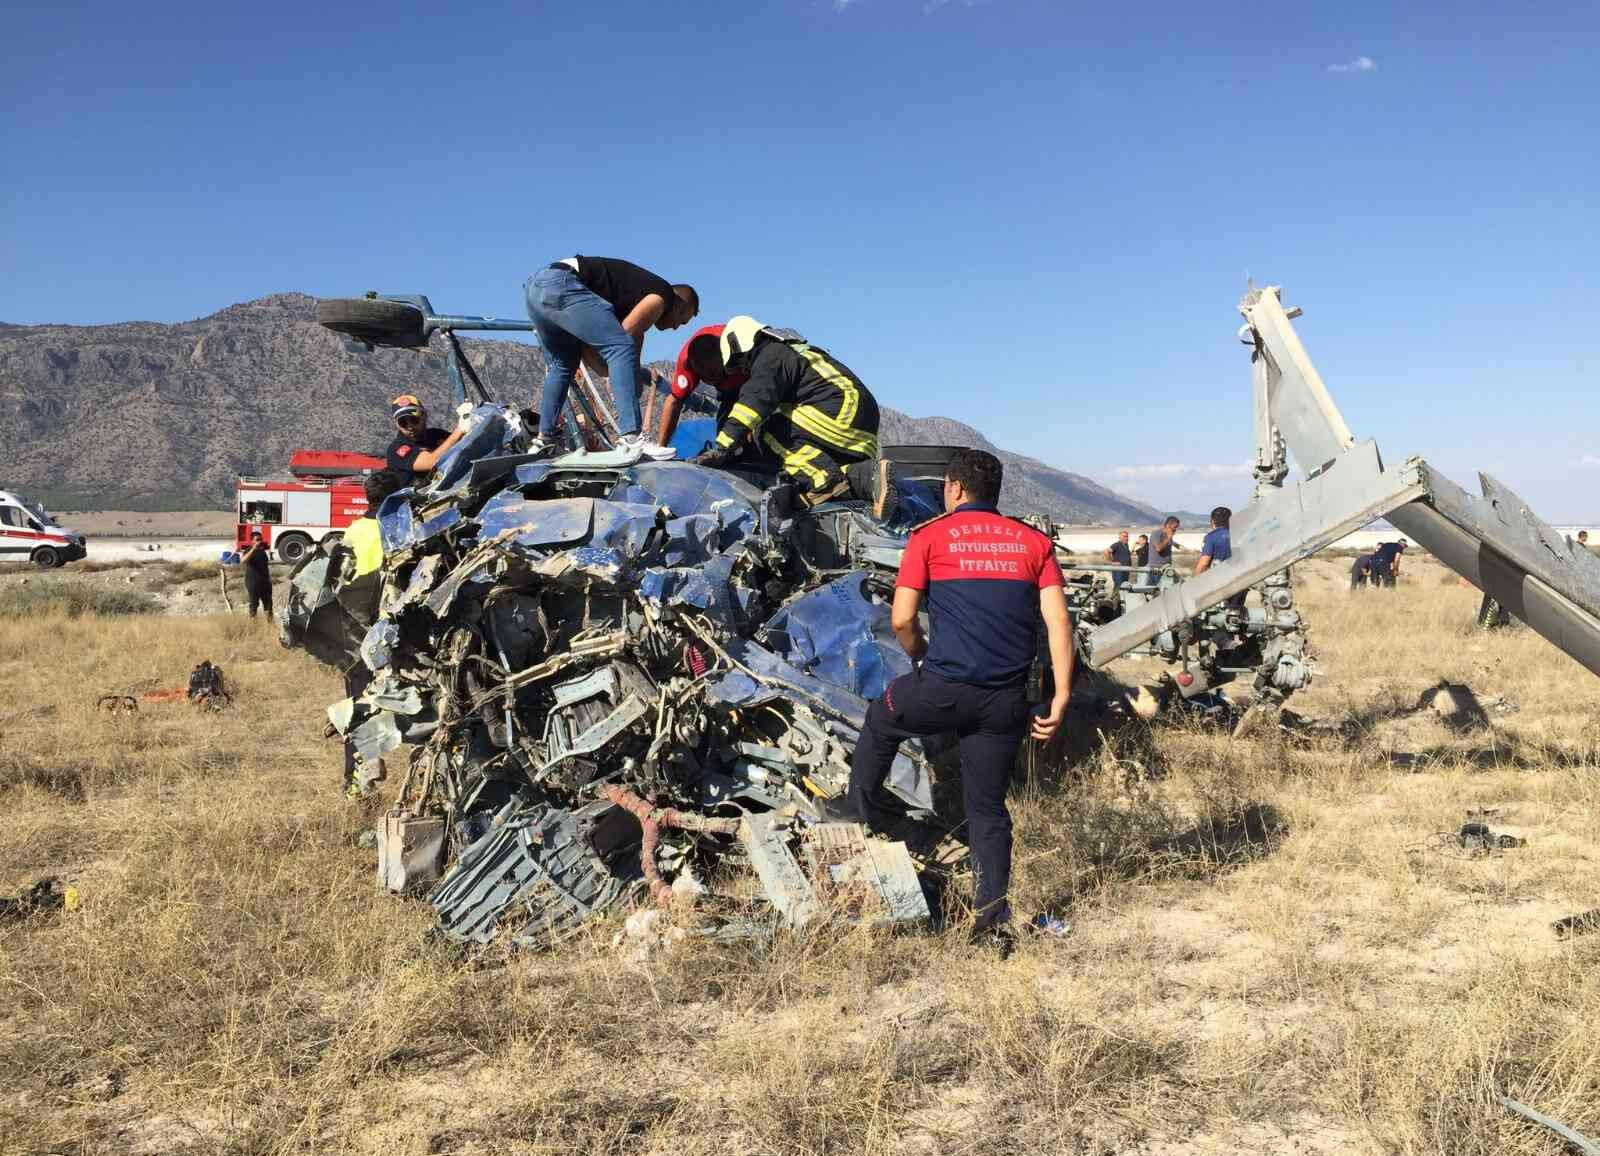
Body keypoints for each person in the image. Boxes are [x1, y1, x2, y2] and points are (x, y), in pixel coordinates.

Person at [828, 448, 1074, 955]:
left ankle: (862, 813)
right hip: (1005, 701)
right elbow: (1058, 622)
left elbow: (901, 619)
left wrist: (921, 657)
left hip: (942, 689)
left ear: (955, 489)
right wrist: (1062, 695)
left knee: (882, 717)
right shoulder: (1034, 543)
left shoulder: (929, 537)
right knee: (988, 808)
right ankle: (991, 920)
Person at [690, 316, 892, 515]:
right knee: (806, 445)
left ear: (741, 346)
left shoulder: (770, 356)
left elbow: (753, 403)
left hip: (842, 413)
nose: (742, 368)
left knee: (768, 430)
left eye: (739, 361)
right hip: (858, 423)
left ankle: (824, 481)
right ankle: (868, 477)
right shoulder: (789, 351)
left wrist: (722, 448)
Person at [523, 256, 698, 462]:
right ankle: (632, 438)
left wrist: (610, 373)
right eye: (681, 320)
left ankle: (546, 439)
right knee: (621, 345)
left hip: (536, 289)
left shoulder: (626, 300)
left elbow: (587, 345)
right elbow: (626, 336)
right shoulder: (662, 296)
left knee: (563, 365)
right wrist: (623, 376)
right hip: (562, 283)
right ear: (678, 305)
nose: (676, 327)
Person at [336, 470, 404, 796]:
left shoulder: (353, 531)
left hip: (359, 634)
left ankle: (357, 786)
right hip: (400, 635)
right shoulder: (403, 528)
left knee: (360, 708)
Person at [654, 324, 750, 449]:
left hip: (753, 381)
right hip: (729, 392)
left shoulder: (741, 345)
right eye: (707, 377)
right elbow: (673, 402)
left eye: (716, 374)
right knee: (726, 436)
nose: (713, 381)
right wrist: (661, 448)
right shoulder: (686, 362)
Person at [386, 394, 466, 482]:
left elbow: (464, 442)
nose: (410, 427)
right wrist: (459, 430)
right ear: (397, 424)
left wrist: (467, 420)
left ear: (424, 416)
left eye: (414, 420)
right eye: (403, 423)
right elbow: (431, 462)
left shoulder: (436, 434)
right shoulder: (397, 449)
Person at [240, 530, 273, 619]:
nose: (260, 541)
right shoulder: (248, 550)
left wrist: (268, 580)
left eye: (261, 539)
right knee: (254, 604)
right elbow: (243, 561)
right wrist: (253, 549)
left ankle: (270, 624)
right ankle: (253, 624)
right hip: (253, 582)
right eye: (257, 540)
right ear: (252, 541)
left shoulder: (262, 551)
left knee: (268, 604)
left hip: (265, 582)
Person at [1192, 507, 1231, 575]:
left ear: (1212, 521)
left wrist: (1195, 579)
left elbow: (1203, 564)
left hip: (1218, 577)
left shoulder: (1211, 537)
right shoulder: (1237, 534)